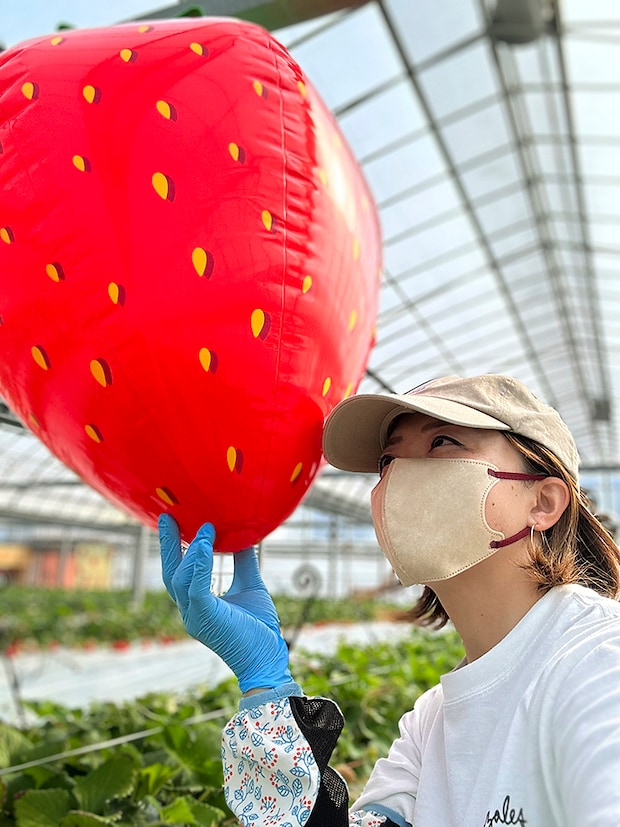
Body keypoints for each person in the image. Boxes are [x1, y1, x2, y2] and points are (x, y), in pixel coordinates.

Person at [159, 373, 620, 827]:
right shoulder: (430, 724)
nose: (399, 477)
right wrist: (264, 684)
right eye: (386, 461)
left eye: (442, 442)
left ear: (544, 502)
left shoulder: (598, 666)